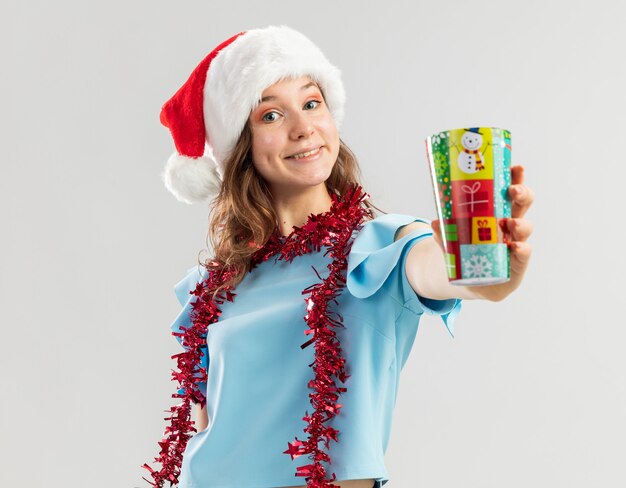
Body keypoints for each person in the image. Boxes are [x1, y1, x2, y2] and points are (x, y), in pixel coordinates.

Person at [144, 26, 534, 488]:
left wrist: (492, 269)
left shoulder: (379, 249)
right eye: (271, 115)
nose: (303, 126)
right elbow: (207, 426)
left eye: (312, 104)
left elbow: (450, 273)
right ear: (241, 147)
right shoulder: (214, 289)